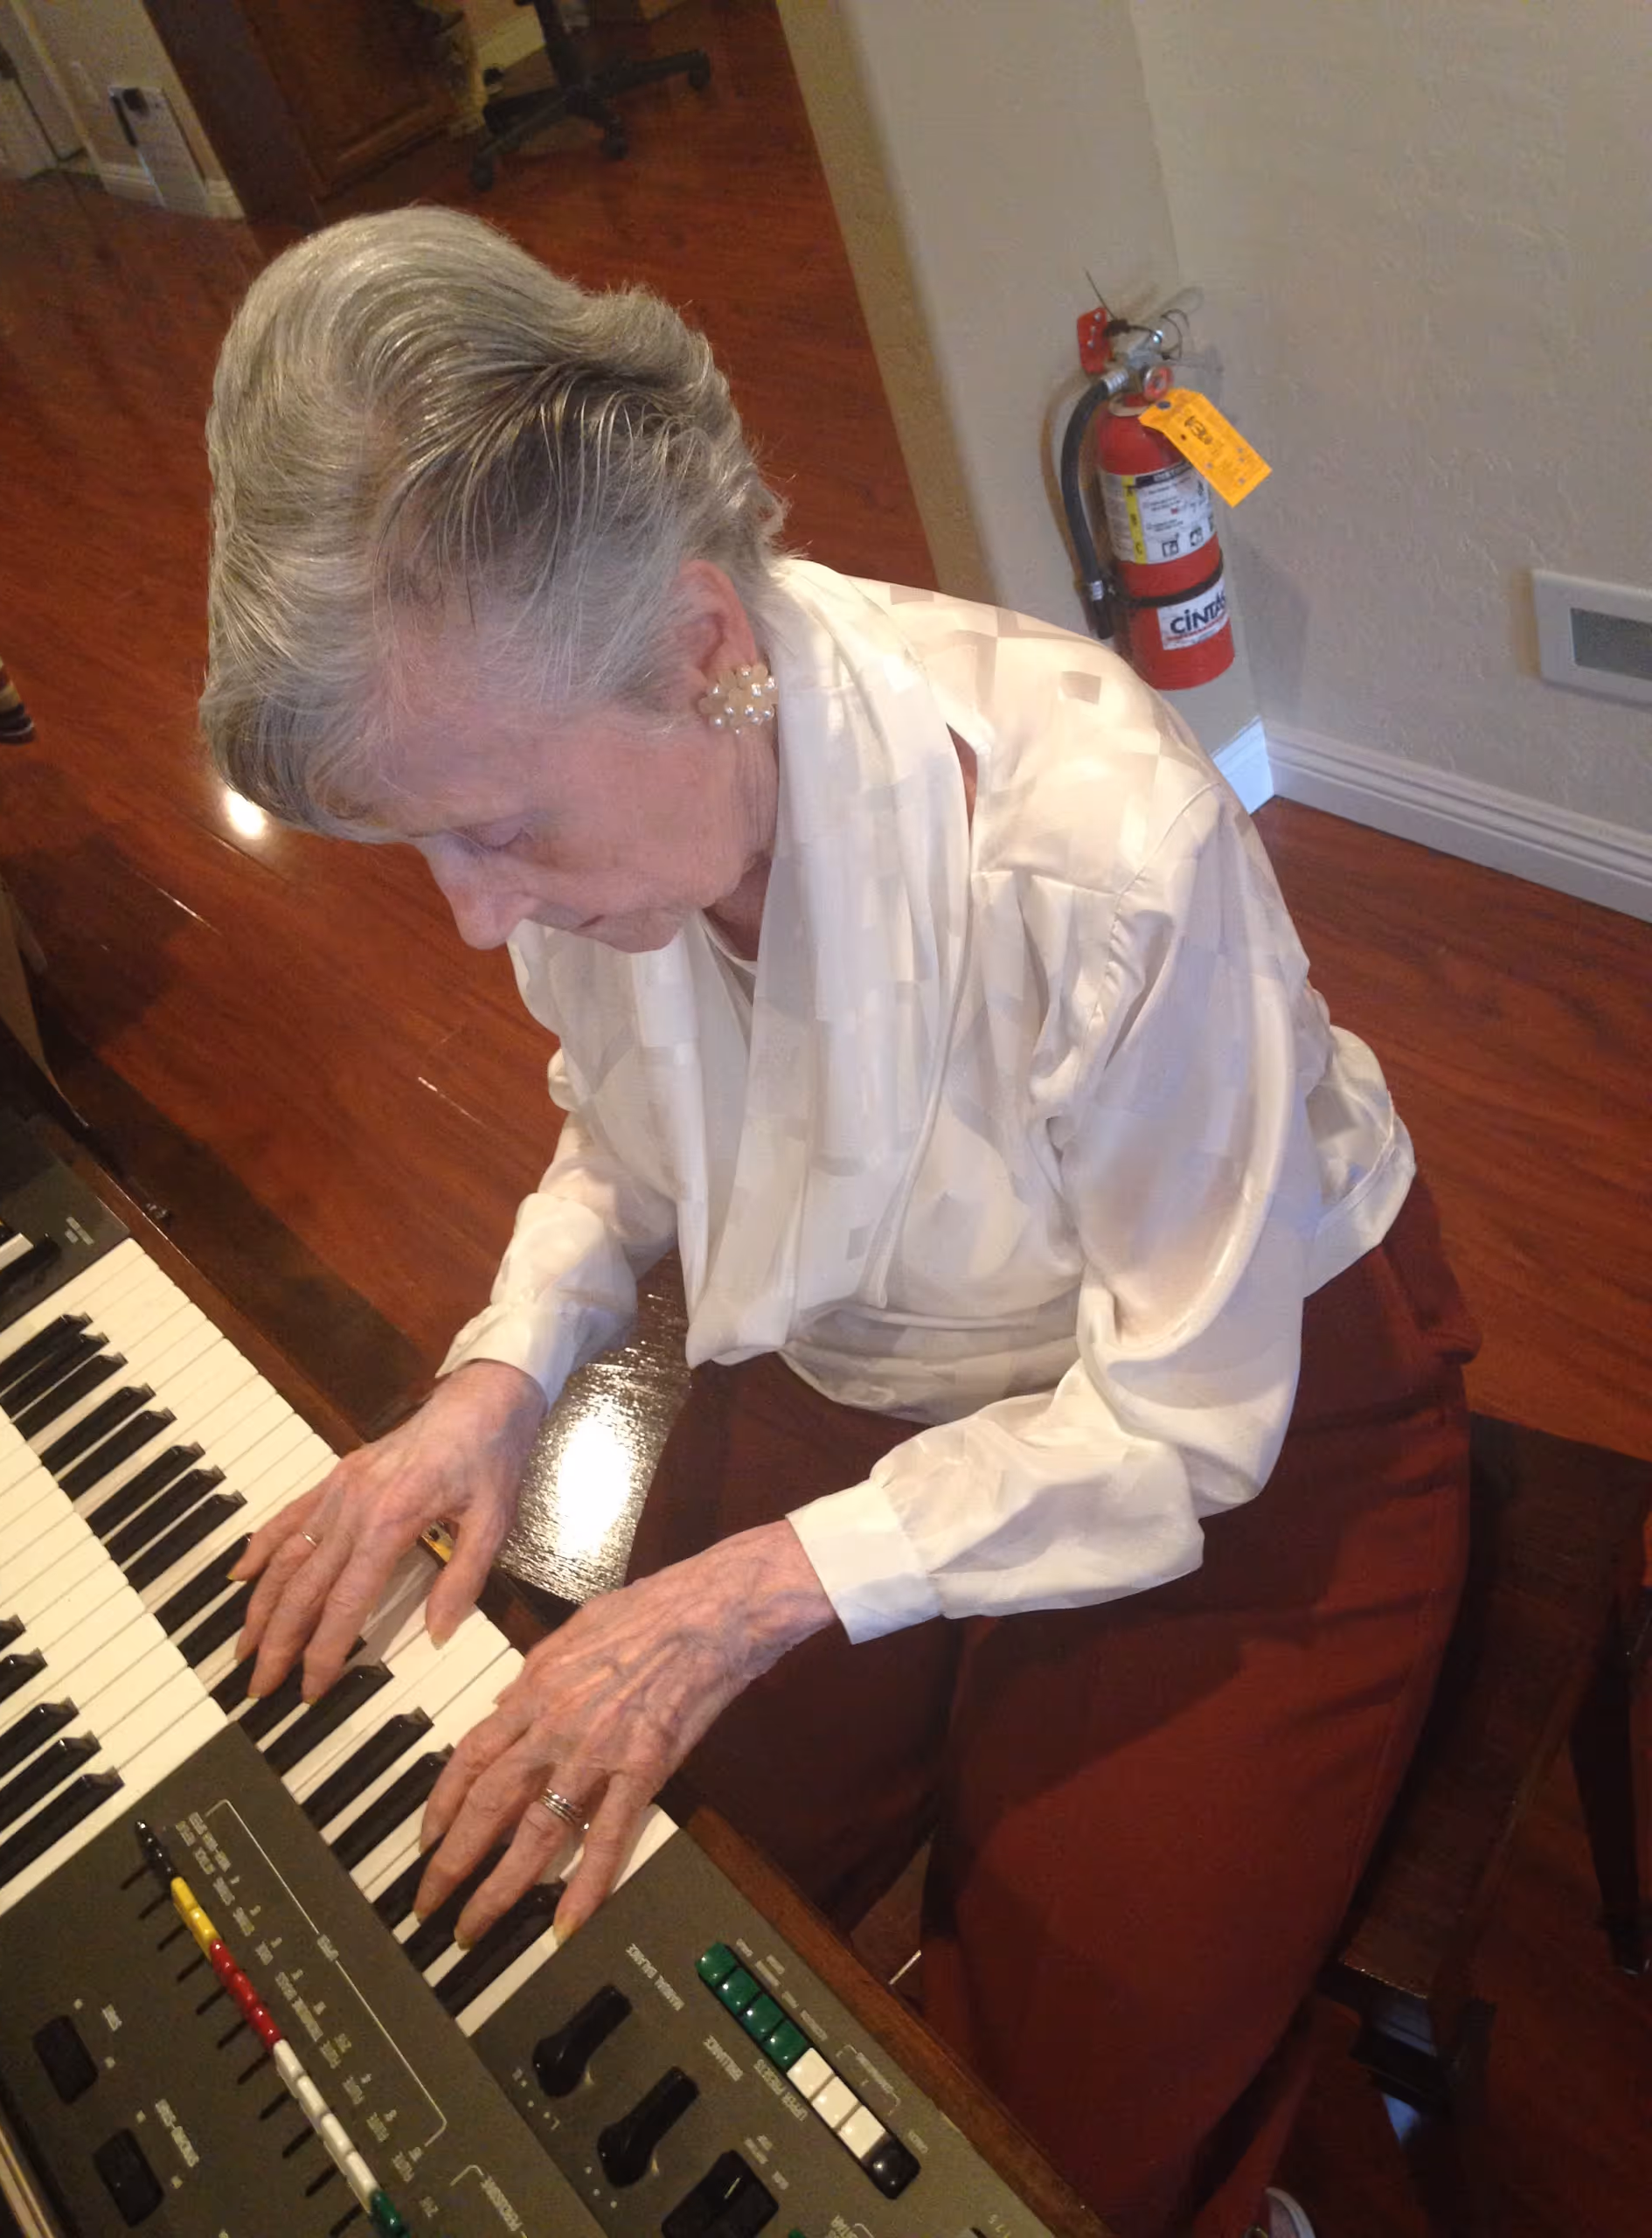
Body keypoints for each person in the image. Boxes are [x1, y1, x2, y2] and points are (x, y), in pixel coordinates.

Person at [198, 209, 1478, 2238]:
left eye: (501, 825)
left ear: (708, 648)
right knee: (621, 1867)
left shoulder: (1101, 845)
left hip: (1238, 1409)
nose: (467, 912)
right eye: (426, 837)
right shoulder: (615, 805)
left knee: (1033, 2120)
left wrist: (740, 1591)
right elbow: (627, 1136)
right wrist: (494, 1380)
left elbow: (1182, 1414)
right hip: (875, 1359)